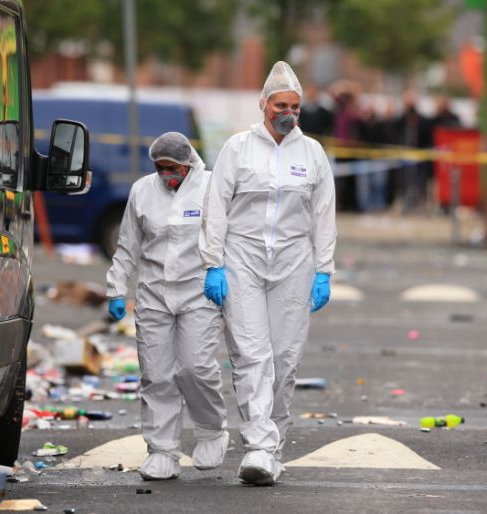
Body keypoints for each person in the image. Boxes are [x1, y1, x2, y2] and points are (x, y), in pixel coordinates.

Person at [200, 61, 337, 486]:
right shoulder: (238, 149)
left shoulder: (311, 153)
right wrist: (213, 263)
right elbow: (216, 207)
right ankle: (258, 446)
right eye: (281, 105)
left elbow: (323, 215)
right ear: (263, 104)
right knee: (252, 355)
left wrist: (324, 269)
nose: (289, 113)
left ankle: (274, 446)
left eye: (295, 107)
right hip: (242, 258)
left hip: (295, 263)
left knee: (284, 358)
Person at [106, 132, 229, 481]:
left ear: (188, 162)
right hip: (154, 294)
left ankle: (210, 431)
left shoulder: (211, 187)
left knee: (195, 368)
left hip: (198, 291)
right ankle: (162, 451)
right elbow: (128, 244)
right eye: (159, 167)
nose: (165, 174)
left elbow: (227, 236)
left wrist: (222, 272)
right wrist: (116, 288)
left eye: (171, 167)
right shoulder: (142, 191)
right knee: (157, 375)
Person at [390, 90, 433, 213]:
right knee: (404, 182)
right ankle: (407, 204)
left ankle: (419, 205)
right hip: (404, 157)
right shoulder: (400, 121)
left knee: (420, 182)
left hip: (419, 157)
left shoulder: (422, 121)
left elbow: (427, 138)